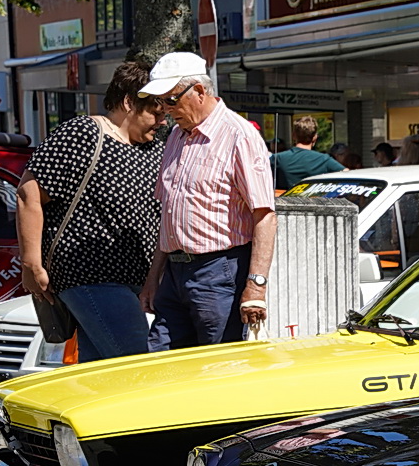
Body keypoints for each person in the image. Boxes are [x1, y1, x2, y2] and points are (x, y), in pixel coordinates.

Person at [17, 62, 165, 364]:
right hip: (90, 274)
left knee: (102, 377)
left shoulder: (156, 149)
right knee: (139, 364)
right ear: (128, 102)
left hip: (136, 281)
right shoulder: (84, 133)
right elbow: (29, 194)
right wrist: (31, 264)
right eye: (155, 112)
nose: (162, 121)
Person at [137, 52, 276, 351]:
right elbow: (169, 215)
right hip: (175, 273)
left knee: (217, 368)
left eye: (171, 100)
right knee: (160, 363)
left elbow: (264, 215)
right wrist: (154, 278)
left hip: (219, 272)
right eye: (160, 102)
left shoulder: (239, 135)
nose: (165, 110)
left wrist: (256, 285)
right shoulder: (176, 136)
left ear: (199, 91)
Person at [271, 116, 343, 190]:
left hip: (284, 200)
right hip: (316, 201)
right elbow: (347, 174)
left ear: (293, 136)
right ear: (315, 137)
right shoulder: (324, 160)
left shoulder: (277, 158)